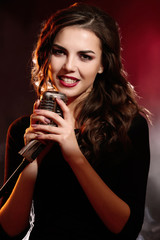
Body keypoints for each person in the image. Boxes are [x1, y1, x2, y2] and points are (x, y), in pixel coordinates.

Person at [0, 2, 150, 240]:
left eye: (85, 56)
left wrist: (73, 153)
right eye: (59, 52)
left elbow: (127, 229)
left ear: (102, 64)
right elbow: (10, 231)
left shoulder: (129, 127)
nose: (69, 67)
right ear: (46, 54)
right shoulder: (22, 130)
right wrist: (31, 159)